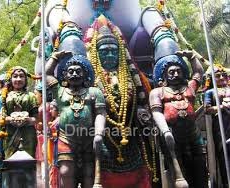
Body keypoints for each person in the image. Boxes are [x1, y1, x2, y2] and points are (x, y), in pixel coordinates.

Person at [84, 15, 153, 188]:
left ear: (120, 53)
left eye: (113, 50)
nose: (109, 54)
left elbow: (141, 102)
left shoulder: (131, 78)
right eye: (104, 51)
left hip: (130, 137)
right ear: (96, 54)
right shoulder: (90, 82)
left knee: (138, 173)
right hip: (103, 139)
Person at [45, 51, 106, 188]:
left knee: (89, 174)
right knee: (66, 172)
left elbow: (101, 114)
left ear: (85, 74)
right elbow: (46, 75)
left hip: (89, 139)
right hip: (66, 139)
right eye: (70, 71)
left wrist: (98, 134)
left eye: (78, 71)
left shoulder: (94, 92)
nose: (74, 74)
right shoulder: (60, 91)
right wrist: (55, 57)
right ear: (65, 75)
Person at [149, 51, 208, 187]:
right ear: (164, 75)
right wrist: (165, 131)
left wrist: (192, 57)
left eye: (178, 71)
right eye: (171, 72)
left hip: (194, 134)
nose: (175, 74)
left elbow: (199, 73)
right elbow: (156, 112)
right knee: (178, 170)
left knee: (200, 167)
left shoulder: (189, 88)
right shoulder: (157, 92)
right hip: (172, 134)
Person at [0, 66, 39, 158]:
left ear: (26, 79)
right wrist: (11, 119)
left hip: (28, 134)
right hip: (10, 133)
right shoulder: (5, 97)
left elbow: (36, 118)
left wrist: (27, 120)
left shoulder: (31, 96)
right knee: (11, 162)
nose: (18, 79)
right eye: (15, 76)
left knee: (28, 163)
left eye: (21, 76)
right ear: (10, 79)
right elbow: (1, 118)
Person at [204, 64, 230, 188]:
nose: (221, 77)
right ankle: (226, 183)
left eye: (223, 75)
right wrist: (221, 107)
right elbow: (207, 109)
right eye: (217, 75)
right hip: (221, 126)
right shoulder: (210, 92)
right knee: (224, 155)